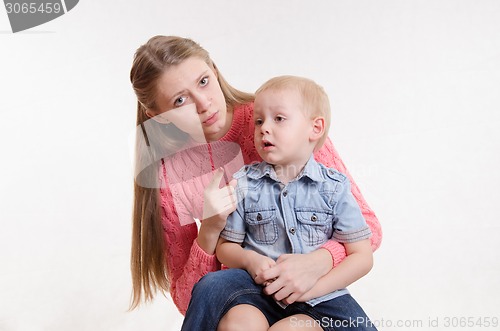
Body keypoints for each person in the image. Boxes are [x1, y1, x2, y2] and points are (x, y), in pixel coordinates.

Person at [128, 35, 382, 330]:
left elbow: (367, 228)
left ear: (215, 69)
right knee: (235, 317)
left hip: (313, 292)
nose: (203, 103)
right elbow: (191, 301)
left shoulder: (278, 118)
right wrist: (210, 230)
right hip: (244, 290)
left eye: (203, 81)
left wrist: (320, 261)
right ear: (157, 116)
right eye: (180, 101)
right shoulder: (169, 175)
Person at [215, 75, 376, 331]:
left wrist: (314, 288)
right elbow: (225, 247)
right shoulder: (244, 183)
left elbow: (362, 256)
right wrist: (249, 260)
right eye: (259, 121)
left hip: (321, 300)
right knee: (237, 324)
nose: (264, 128)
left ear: (315, 128)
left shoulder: (333, 187)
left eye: (279, 119)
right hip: (259, 296)